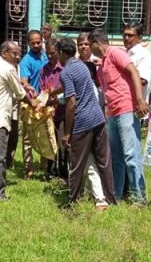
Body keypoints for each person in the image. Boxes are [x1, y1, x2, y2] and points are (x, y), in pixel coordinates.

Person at [88, 28, 149, 203]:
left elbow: (134, 73)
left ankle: (139, 198)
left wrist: (139, 100)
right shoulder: (104, 61)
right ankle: (116, 195)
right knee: (116, 156)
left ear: (96, 43)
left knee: (131, 155)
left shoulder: (116, 53)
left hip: (126, 109)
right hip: (113, 112)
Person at [57, 38, 117, 208]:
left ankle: (72, 202)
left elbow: (71, 103)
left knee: (76, 164)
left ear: (62, 53)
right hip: (98, 117)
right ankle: (110, 198)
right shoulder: (82, 66)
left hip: (83, 121)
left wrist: (67, 132)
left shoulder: (66, 72)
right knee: (104, 161)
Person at [0, 41, 34, 200]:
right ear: (4, 53)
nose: (18, 56)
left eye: (18, 53)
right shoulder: (8, 68)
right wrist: (33, 104)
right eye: (14, 53)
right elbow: (20, 94)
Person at [17, 30, 46, 177]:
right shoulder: (26, 60)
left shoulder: (45, 57)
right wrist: (28, 87)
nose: (36, 45)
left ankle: (44, 165)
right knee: (28, 137)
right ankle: (28, 168)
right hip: (30, 103)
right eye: (33, 43)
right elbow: (23, 80)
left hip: (45, 102)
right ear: (28, 43)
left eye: (38, 42)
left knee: (45, 135)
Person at [39, 38, 67, 180]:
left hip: (62, 113)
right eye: (47, 53)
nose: (50, 56)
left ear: (59, 52)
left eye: (52, 53)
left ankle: (63, 173)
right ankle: (50, 172)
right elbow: (43, 89)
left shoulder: (64, 69)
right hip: (48, 112)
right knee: (49, 142)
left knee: (62, 145)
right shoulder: (44, 69)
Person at [123, 23, 151, 103]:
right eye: (124, 35)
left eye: (130, 35)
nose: (126, 38)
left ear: (139, 38)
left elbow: (142, 81)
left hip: (136, 109)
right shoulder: (124, 54)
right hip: (123, 106)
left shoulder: (144, 55)